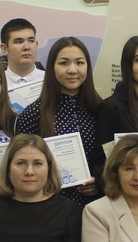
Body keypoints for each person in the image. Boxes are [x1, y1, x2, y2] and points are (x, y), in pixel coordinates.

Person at [15, 35, 104, 208]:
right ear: (52, 68)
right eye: (64, 63)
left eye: (79, 63)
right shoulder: (34, 114)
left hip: (94, 207)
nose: (72, 70)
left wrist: (100, 181)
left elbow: (111, 158)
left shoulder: (100, 109)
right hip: (48, 208)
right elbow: (20, 164)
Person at [0, 18, 44, 94]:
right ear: (5, 48)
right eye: (19, 42)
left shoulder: (51, 81)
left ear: (36, 44)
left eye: (31, 41)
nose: (26, 47)